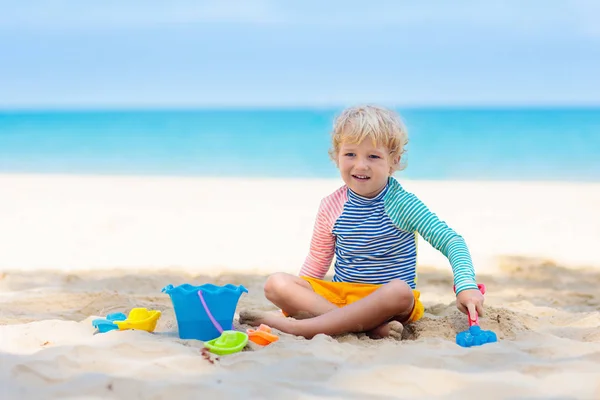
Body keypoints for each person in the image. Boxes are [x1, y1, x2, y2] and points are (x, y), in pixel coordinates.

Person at [240, 105, 484, 339]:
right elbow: (317, 263)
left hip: (386, 303)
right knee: (277, 284)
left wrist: (466, 286)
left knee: (400, 290)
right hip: (342, 298)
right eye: (350, 154)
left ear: (394, 161)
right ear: (336, 157)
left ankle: (301, 328)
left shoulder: (401, 203)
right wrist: (297, 294)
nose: (360, 165)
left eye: (373, 156)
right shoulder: (331, 205)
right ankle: (364, 329)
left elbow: (452, 240)